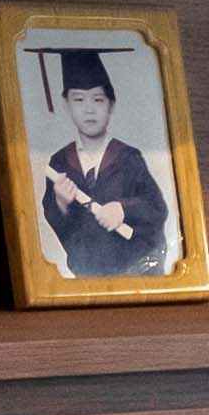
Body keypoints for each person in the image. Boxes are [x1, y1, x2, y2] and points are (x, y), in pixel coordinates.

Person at [32, 44, 179, 280]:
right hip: (88, 275)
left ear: (111, 105)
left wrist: (123, 209)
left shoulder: (128, 158)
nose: (89, 109)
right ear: (66, 105)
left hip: (135, 272)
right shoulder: (60, 162)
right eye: (78, 99)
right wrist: (60, 202)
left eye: (98, 100)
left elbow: (156, 208)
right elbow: (54, 218)